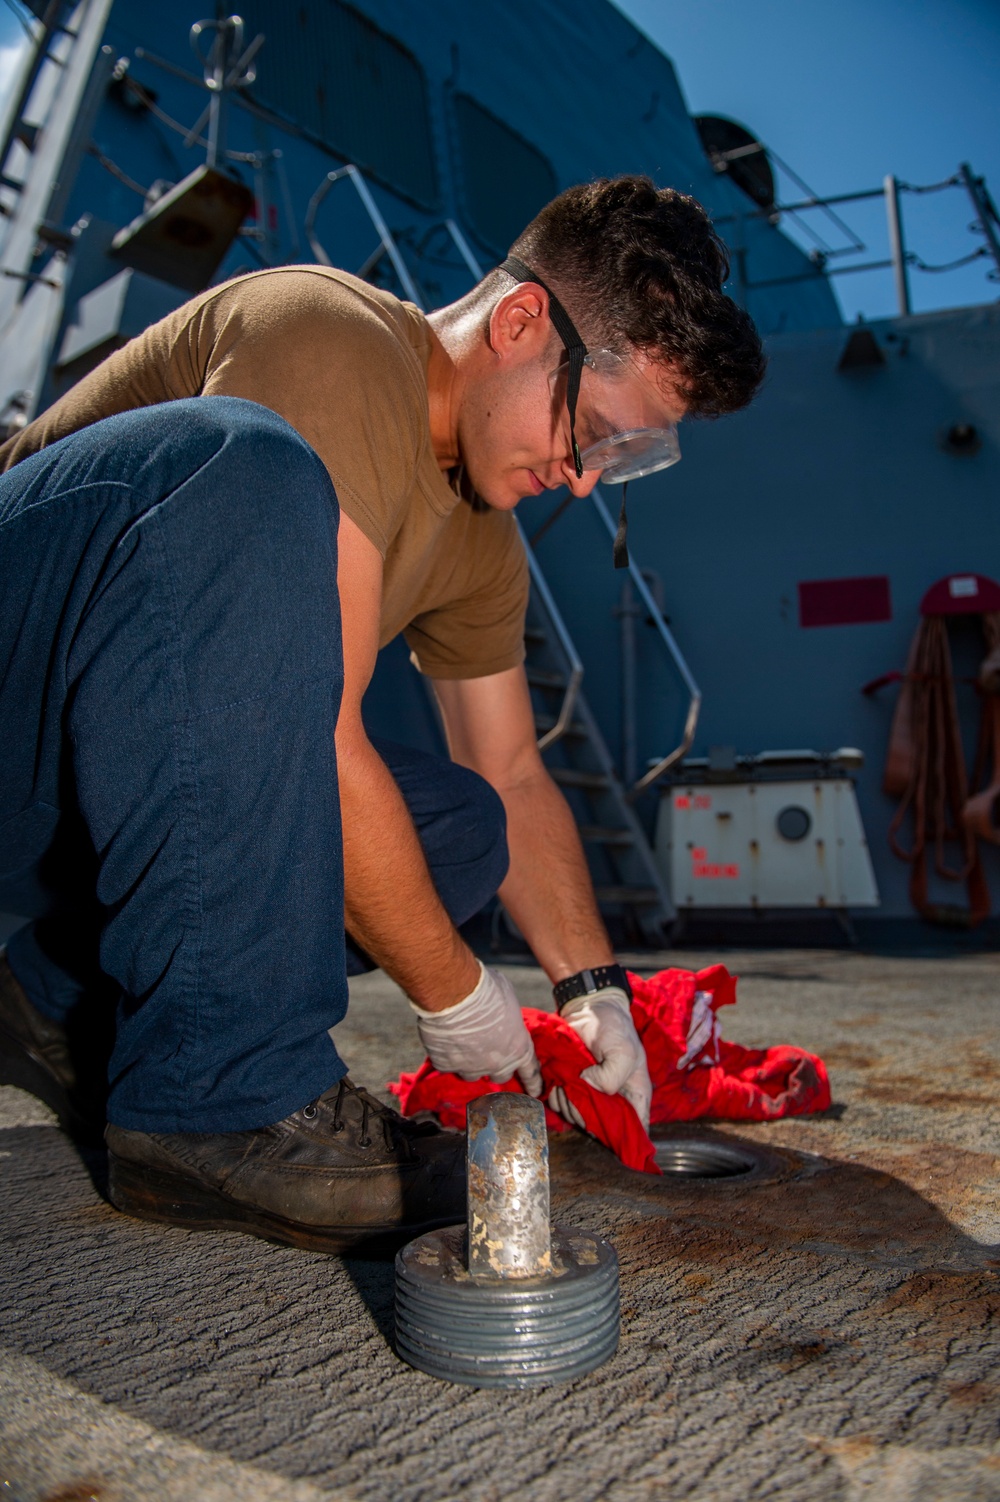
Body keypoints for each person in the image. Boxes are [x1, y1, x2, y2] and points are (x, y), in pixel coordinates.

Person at [0, 175, 765, 1252]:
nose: (586, 479)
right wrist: (459, 997)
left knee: (458, 827)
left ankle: (53, 999)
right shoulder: (329, 331)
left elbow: (510, 771)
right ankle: (220, 1095)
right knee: (249, 465)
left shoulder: (480, 537)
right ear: (517, 322)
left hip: (90, 780)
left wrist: (596, 994)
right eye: (592, 428)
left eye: (620, 456)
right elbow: (320, 737)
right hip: (15, 702)